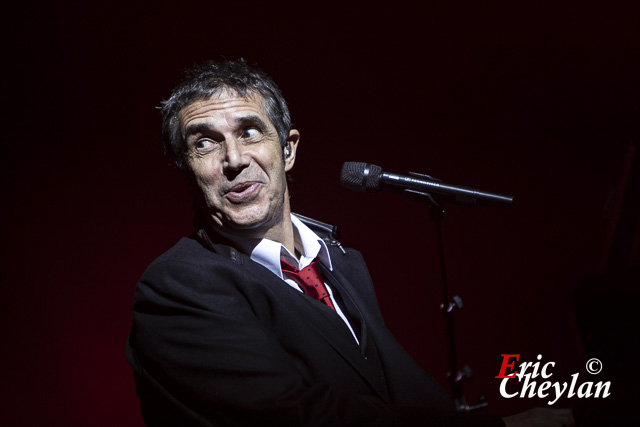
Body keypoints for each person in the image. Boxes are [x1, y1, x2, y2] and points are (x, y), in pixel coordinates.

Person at [126, 59, 571, 427]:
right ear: (185, 167)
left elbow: (394, 389)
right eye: (205, 143)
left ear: (289, 148)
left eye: (249, 132)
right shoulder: (177, 286)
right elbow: (294, 416)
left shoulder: (341, 261)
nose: (234, 160)